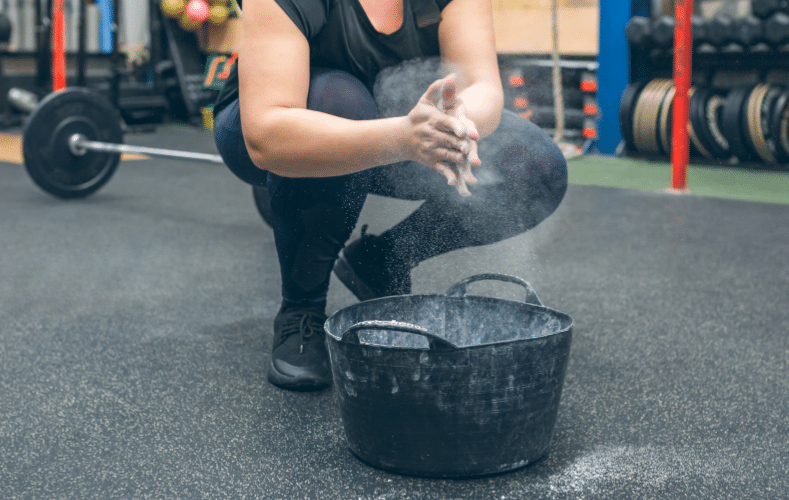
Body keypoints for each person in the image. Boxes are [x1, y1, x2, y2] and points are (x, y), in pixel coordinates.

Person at [213, 0, 568, 391]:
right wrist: (401, 138)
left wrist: (454, 124)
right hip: (279, 124)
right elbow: (267, 135)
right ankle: (301, 310)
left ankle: (381, 259)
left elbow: (482, 87)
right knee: (341, 99)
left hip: (393, 119)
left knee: (534, 165)